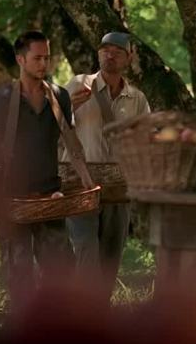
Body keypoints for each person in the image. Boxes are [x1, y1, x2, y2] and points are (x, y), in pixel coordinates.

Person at [0, 30, 75, 309]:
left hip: (51, 196)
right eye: (37, 58)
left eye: (47, 58)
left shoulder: (60, 97)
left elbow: (68, 144)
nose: (44, 64)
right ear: (20, 60)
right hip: (14, 200)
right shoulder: (1, 100)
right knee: (19, 277)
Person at [63, 32, 150, 295]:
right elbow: (51, 127)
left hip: (118, 190)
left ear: (129, 57)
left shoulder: (137, 99)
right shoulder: (79, 85)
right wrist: (66, 107)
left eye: (117, 51)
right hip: (81, 185)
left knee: (111, 256)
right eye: (104, 50)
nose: (109, 55)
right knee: (85, 251)